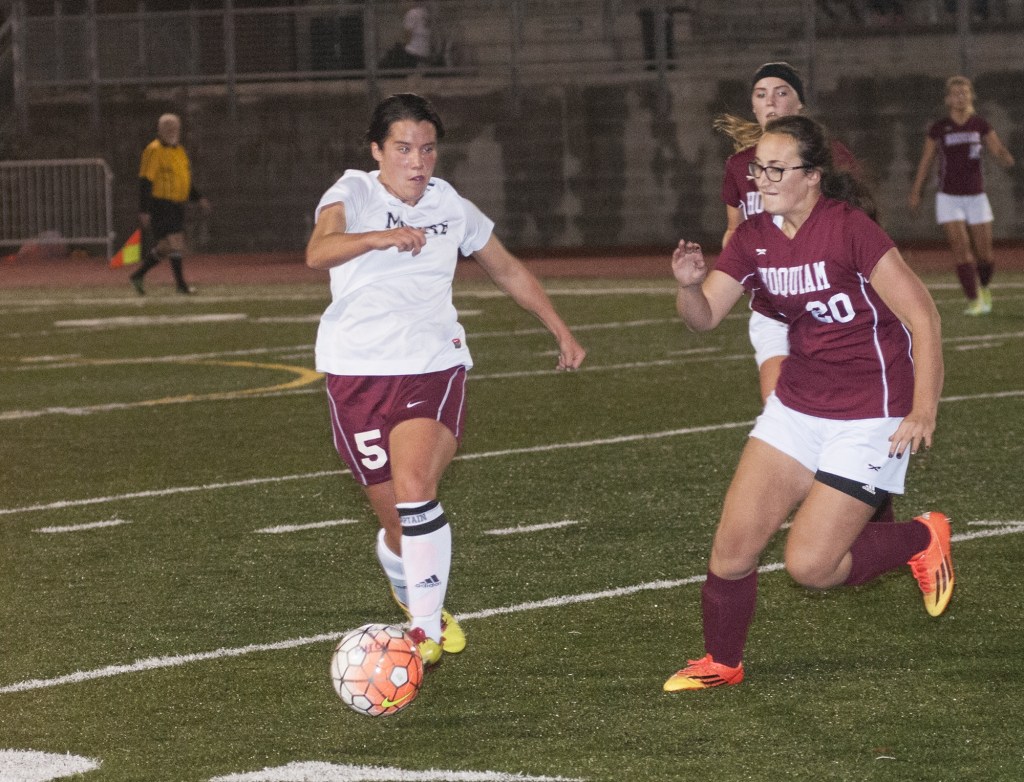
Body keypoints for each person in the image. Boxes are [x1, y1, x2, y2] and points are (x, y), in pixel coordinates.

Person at [664, 114, 952, 692]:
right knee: (732, 548)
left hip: (872, 411)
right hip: (798, 407)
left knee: (811, 567)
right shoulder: (753, 238)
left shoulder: (850, 229)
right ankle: (722, 662)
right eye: (756, 170)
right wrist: (689, 286)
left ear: (812, 177)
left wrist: (924, 409)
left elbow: (922, 315)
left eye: (775, 169)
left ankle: (922, 537)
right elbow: (705, 318)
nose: (761, 180)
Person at [305, 93, 587, 665]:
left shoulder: (448, 205)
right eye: (403, 148)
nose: (417, 161)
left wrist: (559, 327)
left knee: (415, 488)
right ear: (377, 151)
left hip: (432, 364)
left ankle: (425, 633)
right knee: (397, 528)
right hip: (356, 373)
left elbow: (503, 265)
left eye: (427, 149)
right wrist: (379, 236)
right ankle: (413, 591)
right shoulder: (353, 191)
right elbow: (319, 252)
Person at [717, 62, 894, 526]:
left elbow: (860, 224)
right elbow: (735, 229)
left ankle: (864, 508)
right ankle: (821, 503)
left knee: (834, 412)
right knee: (782, 407)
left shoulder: (828, 157)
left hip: (827, 302)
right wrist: (724, 274)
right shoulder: (739, 166)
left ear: (799, 105)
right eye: (760, 94)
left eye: (780, 93)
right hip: (774, 305)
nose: (769, 102)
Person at [908, 75, 1014, 316]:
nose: (960, 97)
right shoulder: (939, 128)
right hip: (949, 197)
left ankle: (984, 287)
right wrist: (916, 191)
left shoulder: (980, 125)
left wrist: (1006, 158)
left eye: (964, 93)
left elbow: (997, 148)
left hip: (976, 196)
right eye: (955, 94)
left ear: (971, 96)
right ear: (948, 99)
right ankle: (974, 299)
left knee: (985, 255)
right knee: (961, 249)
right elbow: (926, 161)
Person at [130, 113, 211, 296]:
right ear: (160, 130)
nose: (172, 131)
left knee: (166, 247)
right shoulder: (154, 150)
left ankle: (138, 275)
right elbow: (145, 180)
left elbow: (184, 181)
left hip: (176, 205)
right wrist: (144, 209)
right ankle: (181, 286)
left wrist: (198, 198)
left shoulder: (179, 151)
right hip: (161, 204)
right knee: (176, 242)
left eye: (174, 128)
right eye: (167, 128)